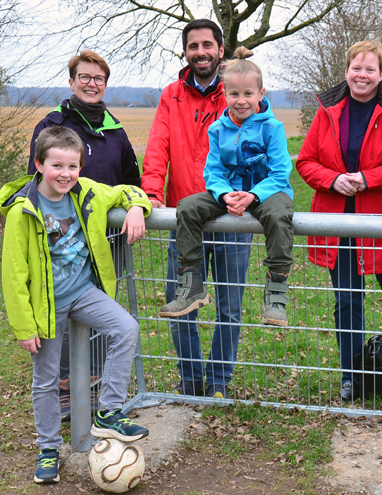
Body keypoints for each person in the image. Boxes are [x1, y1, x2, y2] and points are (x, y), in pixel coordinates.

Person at [0, 126, 151, 484]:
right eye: (57, 166)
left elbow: (128, 190)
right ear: (39, 164)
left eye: (73, 166)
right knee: (47, 379)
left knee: (126, 327)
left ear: (81, 167)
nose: (65, 174)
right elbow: (13, 275)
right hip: (45, 307)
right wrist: (24, 326)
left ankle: (109, 411)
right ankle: (48, 448)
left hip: (83, 292)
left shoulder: (88, 193)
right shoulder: (24, 211)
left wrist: (136, 209)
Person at [296, 40, 382, 403]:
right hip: (338, 226)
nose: (362, 75)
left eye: (370, 69)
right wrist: (332, 179)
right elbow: (306, 161)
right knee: (347, 303)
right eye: (356, 68)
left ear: (381, 74)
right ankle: (351, 376)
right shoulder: (327, 112)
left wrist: (368, 178)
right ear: (346, 71)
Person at [27, 50, 141, 420]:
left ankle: (91, 386)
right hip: (64, 236)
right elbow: (37, 179)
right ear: (72, 80)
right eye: (85, 77)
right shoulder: (54, 123)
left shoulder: (114, 129)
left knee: (100, 306)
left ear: (106, 84)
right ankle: (63, 387)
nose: (92, 84)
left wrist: (136, 206)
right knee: (60, 307)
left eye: (99, 78)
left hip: (108, 237)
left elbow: (131, 180)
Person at [141, 19, 252, 400]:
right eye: (193, 46)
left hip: (234, 219)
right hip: (185, 220)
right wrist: (153, 193)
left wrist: (249, 193)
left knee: (230, 308)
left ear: (221, 50)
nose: (200, 52)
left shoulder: (238, 91)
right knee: (181, 303)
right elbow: (158, 145)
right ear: (185, 52)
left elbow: (258, 147)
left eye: (208, 45)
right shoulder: (172, 95)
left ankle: (219, 382)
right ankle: (190, 380)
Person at [160, 47, 293, 330]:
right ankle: (192, 281)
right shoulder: (218, 129)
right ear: (225, 94)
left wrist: (254, 195)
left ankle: (277, 292)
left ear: (261, 93)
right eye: (234, 94)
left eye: (248, 94)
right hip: (229, 192)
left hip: (267, 191)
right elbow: (213, 171)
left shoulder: (272, 127)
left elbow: (281, 173)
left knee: (280, 216)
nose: (241, 101)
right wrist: (223, 194)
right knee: (188, 206)